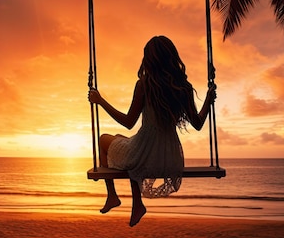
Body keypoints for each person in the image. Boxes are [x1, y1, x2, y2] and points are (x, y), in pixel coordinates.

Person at [88, 35, 217, 226]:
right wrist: (208, 99)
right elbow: (198, 124)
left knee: (105, 139)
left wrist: (100, 101)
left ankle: (113, 196)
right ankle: (136, 204)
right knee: (124, 141)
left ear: (148, 59)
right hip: (169, 156)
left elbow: (129, 121)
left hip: (144, 152)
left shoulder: (144, 85)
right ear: (172, 57)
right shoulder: (183, 88)